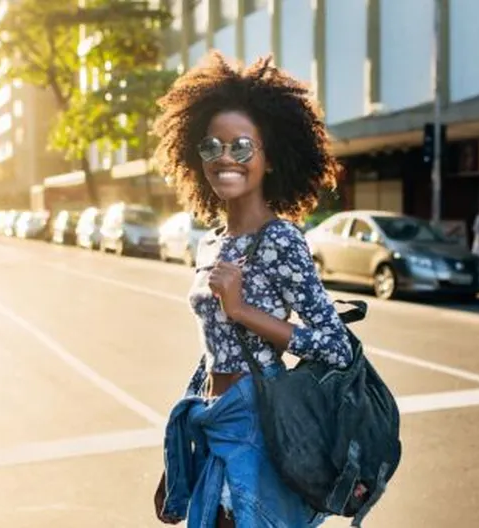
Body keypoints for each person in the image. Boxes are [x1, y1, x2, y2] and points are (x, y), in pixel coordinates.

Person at [151, 51, 353, 527]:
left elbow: (335, 346)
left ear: (269, 158)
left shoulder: (281, 240)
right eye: (211, 147)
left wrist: (241, 308)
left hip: (259, 427)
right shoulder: (211, 243)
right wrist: (179, 452)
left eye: (241, 147)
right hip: (213, 419)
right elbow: (213, 351)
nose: (225, 158)